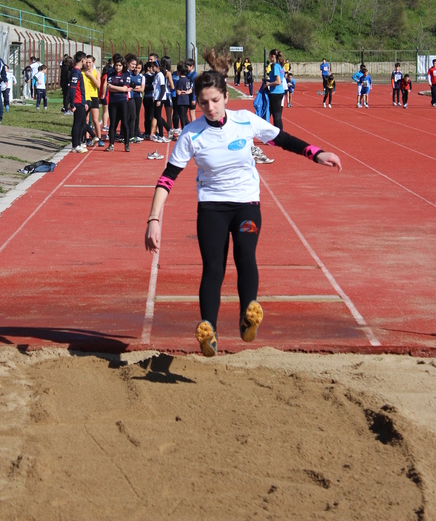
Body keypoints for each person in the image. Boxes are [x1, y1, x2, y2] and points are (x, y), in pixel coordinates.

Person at [144, 67, 342, 357]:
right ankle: (208, 331)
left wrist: (317, 153)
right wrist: (154, 219)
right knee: (214, 268)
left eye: (214, 100)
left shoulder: (244, 121)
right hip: (211, 207)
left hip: (246, 204)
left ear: (225, 96)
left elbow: (282, 140)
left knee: (246, 255)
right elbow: (167, 178)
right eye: (203, 103)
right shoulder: (191, 134)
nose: (210, 108)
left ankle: (249, 314)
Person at [106, 57, 131, 152]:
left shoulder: (126, 75)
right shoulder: (111, 74)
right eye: (116, 65)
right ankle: (111, 144)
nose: (118, 67)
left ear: (123, 66)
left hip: (123, 101)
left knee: (125, 123)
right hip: (112, 101)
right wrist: (118, 88)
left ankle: (127, 144)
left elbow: (125, 89)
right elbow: (109, 88)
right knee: (113, 123)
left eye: (120, 65)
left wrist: (113, 87)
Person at [69, 51, 89, 153]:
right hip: (77, 101)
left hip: (81, 101)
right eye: (85, 60)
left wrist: (84, 102)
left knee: (82, 122)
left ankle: (79, 143)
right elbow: (73, 88)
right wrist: (72, 103)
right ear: (82, 60)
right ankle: (75, 145)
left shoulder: (78, 71)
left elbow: (81, 89)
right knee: (77, 123)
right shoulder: (75, 72)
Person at [150, 59, 170, 143]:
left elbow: (163, 88)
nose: (152, 68)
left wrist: (159, 99)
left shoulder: (160, 75)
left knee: (158, 116)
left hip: (160, 98)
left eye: (153, 67)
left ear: (157, 66)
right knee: (156, 115)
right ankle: (169, 129)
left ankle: (161, 135)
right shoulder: (157, 75)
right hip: (156, 98)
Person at [83, 55, 101, 143]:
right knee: (86, 119)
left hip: (94, 97)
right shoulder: (82, 72)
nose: (88, 64)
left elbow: (98, 85)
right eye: (86, 62)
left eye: (90, 62)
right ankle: (87, 138)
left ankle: (99, 138)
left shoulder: (96, 72)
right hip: (85, 97)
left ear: (93, 63)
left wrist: (90, 76)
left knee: (95, 120)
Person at [265, 49, 285, 131]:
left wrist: (268, 84)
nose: (269, 58)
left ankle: (278, 135)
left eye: (269, 56)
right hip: (280, 92)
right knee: (278, 116)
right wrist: (269, 80)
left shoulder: (276, 66)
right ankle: (281, 133)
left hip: (275, 93)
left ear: (273, 56)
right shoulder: (281, 66)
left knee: (276, 116)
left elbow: (278, 81)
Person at [175, 62, 192, 129]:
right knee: (184, 116)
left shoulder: (180, 81)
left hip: (181, 101)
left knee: (182, 117)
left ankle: (185, 130)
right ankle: (189, 128)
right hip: (186, 100)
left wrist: (175, 88)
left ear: (179, 71)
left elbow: (179, 92)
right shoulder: (187, 79)